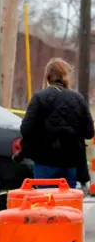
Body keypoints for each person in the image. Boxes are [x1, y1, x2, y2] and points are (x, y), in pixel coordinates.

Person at [14, 58, 94, 188]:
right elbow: (89, 132)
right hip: (70, 161)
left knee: (45, 202)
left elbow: (26, 129)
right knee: (67, 203)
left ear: (48, 76)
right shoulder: (78, 99)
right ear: (66, 76)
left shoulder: (39, 97)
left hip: (44, 160)